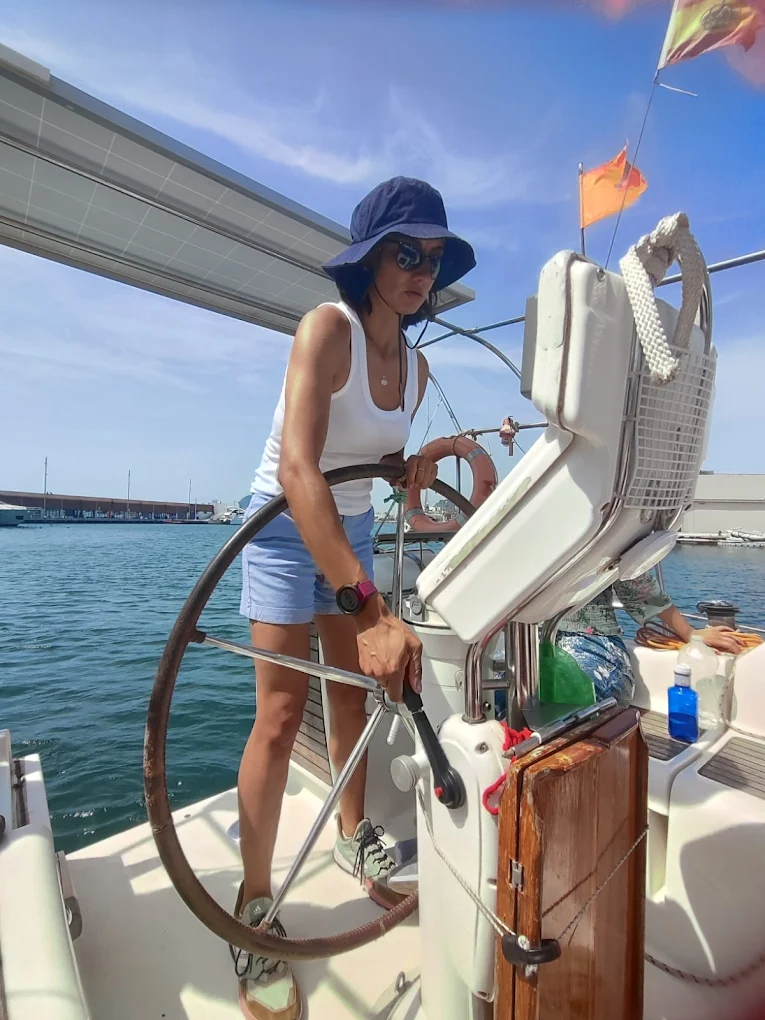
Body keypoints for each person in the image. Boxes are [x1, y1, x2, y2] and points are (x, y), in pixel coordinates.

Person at [235, 177, 475, 1020]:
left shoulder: (417, 368)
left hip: (355, 527)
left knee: (351, 696)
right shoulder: (325, 329)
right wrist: (370, 608)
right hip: (279, 523)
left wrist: (412, 467)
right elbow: (300, 467)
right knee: (279, 712)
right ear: (369, 259)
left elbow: (371, 460)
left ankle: (351, 838)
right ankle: (254, 905)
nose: (421, 271)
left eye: (433, 258)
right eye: (406, 252)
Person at [554, 573, 746, 706]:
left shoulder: (600, 532)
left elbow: (638, 585)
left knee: (578, 697)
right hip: (543, 646)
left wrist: (689, 633)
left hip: (592, 644)